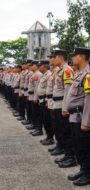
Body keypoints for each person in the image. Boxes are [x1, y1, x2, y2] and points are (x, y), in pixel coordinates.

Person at [65, 47, 90, 186]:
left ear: (81, 56)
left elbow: (89, 100)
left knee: (85, 147)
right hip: (75, 116)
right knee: (78, 146)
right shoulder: (79, 74)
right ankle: (83, 169)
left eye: (74, 56)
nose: (73, 58)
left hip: (82, 117)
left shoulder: (88, 74)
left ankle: (88, 173)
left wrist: (86, 122)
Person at [51, 49, 77, 168]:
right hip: (57, 104)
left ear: (60, 57)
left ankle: (71, 157)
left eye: (55, 57)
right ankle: (67, 154)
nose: (53, 59)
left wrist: (65, 108)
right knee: (61, 130)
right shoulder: (60, 70)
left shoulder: (67, 70)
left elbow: (68, 91)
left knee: (66, 132)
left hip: (62, 105)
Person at [37, 60, 54, 145]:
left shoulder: (49, 75)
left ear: (44, 66)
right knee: (44, 119)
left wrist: (47, 100)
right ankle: (48, 137)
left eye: (40, 66)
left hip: (45, 100)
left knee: (48, 120)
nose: (38, 67)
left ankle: (50, 138)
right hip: (42, 100)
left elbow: (49, 89)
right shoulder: (44, 75)